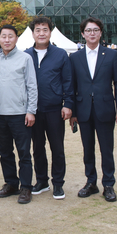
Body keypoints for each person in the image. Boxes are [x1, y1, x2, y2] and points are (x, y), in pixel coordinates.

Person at [69, 17, 117, 202]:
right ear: (83, 34)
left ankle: (108, 184)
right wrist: (73, 112)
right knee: (88, 149)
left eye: (95, 30)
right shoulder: (75, 57)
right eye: (88, 30)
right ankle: (91, 182)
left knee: (106, 149)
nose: (92, 33)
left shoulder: (111, 55)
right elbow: (72, 86)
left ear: (100, 32)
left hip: (105, 109)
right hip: (83, 110)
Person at [24, 16, 72, 200]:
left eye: (45, 29)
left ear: (50, 32)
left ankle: (58, 183)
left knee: (57, 147)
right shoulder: (26, 54)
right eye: (38, 30)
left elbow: (68, 81)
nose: (41, 33)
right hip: (33, 110)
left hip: (54, 109)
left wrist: (68, 104)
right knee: (37, 147)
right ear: (33, 33)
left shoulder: (60, 54)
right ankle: (42, 181)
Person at [0, 25, 38, 204]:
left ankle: (26, 187)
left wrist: (31, 111)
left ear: (17, 38)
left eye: (11, 36)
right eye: (4, 36)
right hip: (1, 114)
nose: (7, 39)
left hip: (20, 114)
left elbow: (32, 86)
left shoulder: (25, 58)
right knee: (4, 152)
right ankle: (11, 183)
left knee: (24, 152)